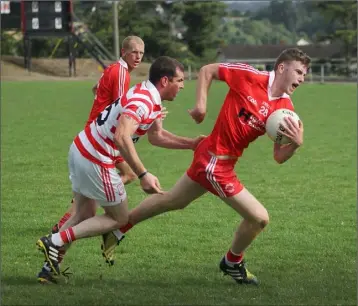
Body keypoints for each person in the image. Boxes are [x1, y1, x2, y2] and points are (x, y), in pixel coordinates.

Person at [100, 48, 311, 285]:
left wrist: (295, 144)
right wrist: (201, 106)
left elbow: (278, 157)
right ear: (282, 68)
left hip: (219, 162)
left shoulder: (286, 111)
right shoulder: (251, 77)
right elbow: (208, 70)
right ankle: (232, 262)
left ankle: (117, 229)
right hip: (214, 161)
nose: (302, 78)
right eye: (299, 72)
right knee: (259, 218)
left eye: (305, 74)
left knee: (173, 201)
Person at [36, 56, 205, 282]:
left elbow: (157, 136)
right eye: (180, 80)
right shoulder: (144, 101)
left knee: (84, 213)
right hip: (95, 157)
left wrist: (192, 144)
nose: (183, 85)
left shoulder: (150, 96)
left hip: (81, 148)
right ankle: (54, 241)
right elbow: (121, 136)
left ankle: (49, 269)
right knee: (119, 218)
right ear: (165, 81)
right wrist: (143, 174)